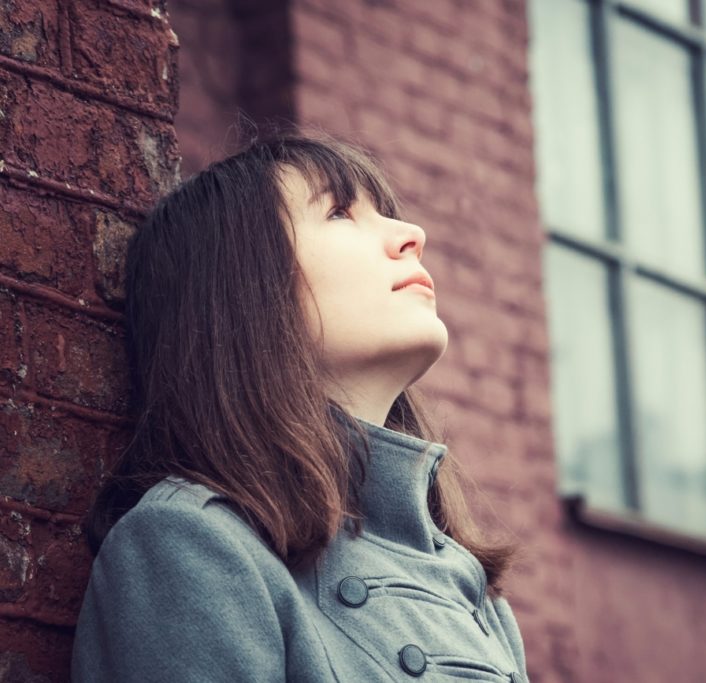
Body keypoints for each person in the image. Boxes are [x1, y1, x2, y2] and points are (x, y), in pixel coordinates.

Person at [70, 130, 529, 682]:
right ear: (242, 286)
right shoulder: (189, 544)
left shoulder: (472, 592)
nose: (413, 235)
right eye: (339, 212)